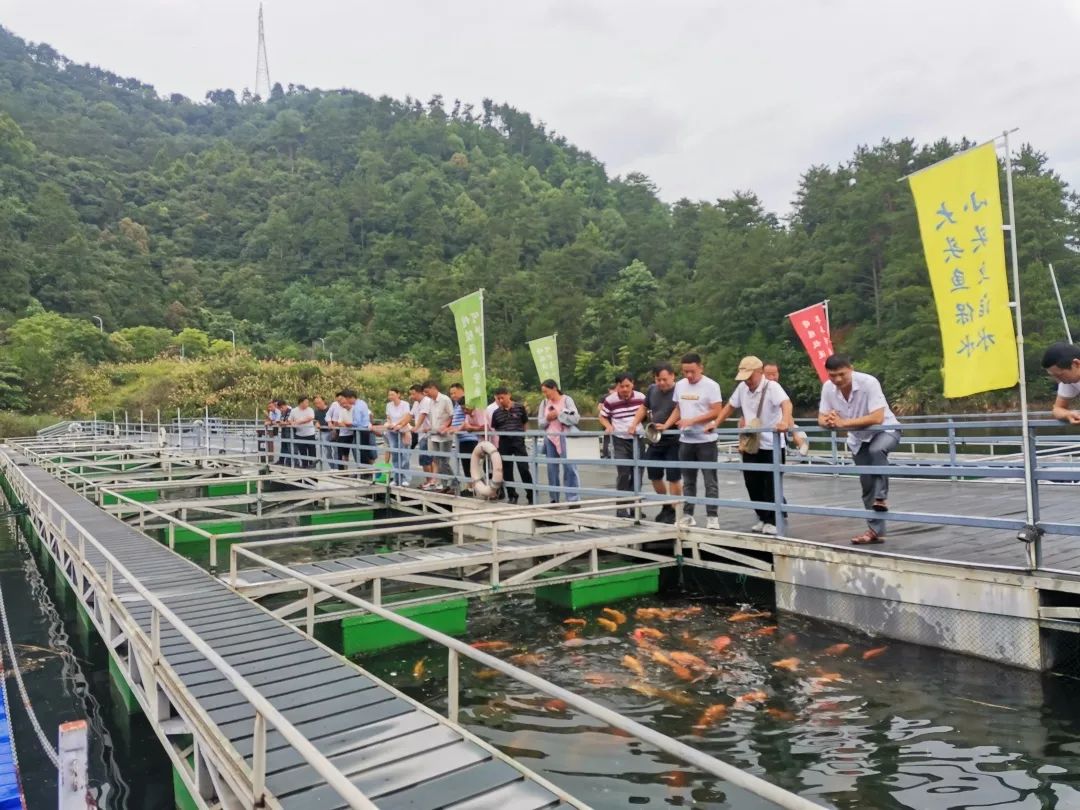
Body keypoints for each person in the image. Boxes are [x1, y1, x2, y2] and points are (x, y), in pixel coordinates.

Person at [818, 354, 901, 545]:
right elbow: (821, 418)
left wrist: (844, 423)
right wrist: (829, 421)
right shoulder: (828, 388)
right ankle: (875, 532)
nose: (838, 380)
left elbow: (877, 417)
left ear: (851, 369)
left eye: (842, 374)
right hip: (858, 439)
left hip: (885, 430)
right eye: (832, 376)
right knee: (867, 486)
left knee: (876, 451)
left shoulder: (868, 383)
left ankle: (881, 497)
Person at [711, 357, 793, 536]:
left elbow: (786, 404)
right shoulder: (742, 388)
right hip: (751, 443)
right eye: (745, 378)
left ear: (759, 372)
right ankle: (762, 516)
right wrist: (716, 423)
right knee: (751, 482)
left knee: (770, 483)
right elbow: (730, 407)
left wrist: (785, 421)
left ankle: (773, 520)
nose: (747, 381)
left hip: (771, 445)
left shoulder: (772, 387)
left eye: (750, 377)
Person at [661, 353, 723, 529]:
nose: (689, 375)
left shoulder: (711, 386)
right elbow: (678, 408)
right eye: (685, 372)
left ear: (700, 368)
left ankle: (712, 516)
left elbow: (717, 410)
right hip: (686, 440)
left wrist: (693, 421)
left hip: (706, 440)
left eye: (692, 371)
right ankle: (688, 514)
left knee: (710, 480)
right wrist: (666, 425)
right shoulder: (680, 386)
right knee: (688, 480)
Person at [629, 363, 682, 524]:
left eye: (665, 379)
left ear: (673, 376)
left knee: (673, 476)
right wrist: (634, 424)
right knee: (654, 473)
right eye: (658, 379)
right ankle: (666, 505)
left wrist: (667, 425)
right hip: (655, 438)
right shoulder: (652, 390)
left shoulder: (680, 389)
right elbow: (643, 408)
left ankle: (675, 509)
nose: (661, 383)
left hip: (674, 439)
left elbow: (680, 408)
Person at [599, 373, 647, 517]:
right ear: (617, 386)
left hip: (637, 438)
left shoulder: (641, 397)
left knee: (637, 473)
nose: (625, 389)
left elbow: (647, 413)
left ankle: (635, 507)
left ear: (633, 384)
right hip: (620, 439)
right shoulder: (610, 400)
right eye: (621, 386)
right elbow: (602, 416)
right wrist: (608, 426)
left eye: (627, 385)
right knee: (624, 472)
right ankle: (621, 507)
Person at [537, 379, 581, 503]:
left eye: (547, 391)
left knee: (570, 468)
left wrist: (559, 415)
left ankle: (573, 498)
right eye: (543, 392)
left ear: (554, 388)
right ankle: (554, 498)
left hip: (565, 437)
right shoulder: (544, 403)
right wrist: (548, 418)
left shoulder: (567, 400)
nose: (545, 394)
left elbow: (575, 418)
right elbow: (540, 423)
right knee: (552, 469)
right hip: (550, 437)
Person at [490, 387, 533, 504]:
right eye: (498, 398)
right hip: (504, 442)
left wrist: (522, 436)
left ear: (508, 395)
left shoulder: (519, 408)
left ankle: (530, 494)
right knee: (507, 470)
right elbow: (495, 427)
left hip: (518, 441)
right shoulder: (496, 412)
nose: (500, 400)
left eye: (502, 397)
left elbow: (524, 423)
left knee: (523, 468)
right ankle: (512, 495)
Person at [762, 363, 809, 455]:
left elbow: (787, 408)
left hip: (779, 428)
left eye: (774, 374)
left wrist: (790, 428)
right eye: (768, 375)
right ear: (762, 374)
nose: (771, 377)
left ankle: (797, 439)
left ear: (778, 374)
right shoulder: (756, 390)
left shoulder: (783, 390)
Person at [447, 384, 479, 495]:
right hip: (461, 439)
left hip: (469, 438)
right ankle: (470, 487)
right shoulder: (457, 405)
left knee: (470, 464)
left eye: (455, 392)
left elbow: (467, 419)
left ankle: (473, 488)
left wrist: (456, 429)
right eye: (451, 393)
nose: (453, 395)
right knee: (465, 464)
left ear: (462, 391)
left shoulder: (466, 404)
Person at [423, 380, 455, 491]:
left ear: (433, 388)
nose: (427, 395)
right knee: (436, 460)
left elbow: (452, 416)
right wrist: (429, 428)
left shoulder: (445, 399)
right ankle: (446, 483)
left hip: (444, 436)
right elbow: (432, 418)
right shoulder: (430, 402)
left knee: (444, 461)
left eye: (427, 392)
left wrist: (445, 427)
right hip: (433, 435)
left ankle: (451, 483)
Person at [1042, 342, 1080, 424]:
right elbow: (1057, 409)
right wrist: (1068, 414)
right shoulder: (1068, 381)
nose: (1058, 381)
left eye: (1060, 375)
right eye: (1054, 376)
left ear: (1076, 364)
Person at [383, 388, 411, 485]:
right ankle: (396, 478)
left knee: (404, 455)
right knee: (395, 454)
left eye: (393, 394)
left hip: (403, 430)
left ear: (398, 394)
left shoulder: (405, 404)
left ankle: (405, 478)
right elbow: (388, 417)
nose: (391, 397)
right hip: (392, 431)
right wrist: (391, 424)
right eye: (389, 395)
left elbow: (406, 417)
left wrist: (398, 425)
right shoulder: (388, 405)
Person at [409, 384, 434, 487]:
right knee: (428, 459)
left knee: (425, 459)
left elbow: (423, 415)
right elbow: (410, 415)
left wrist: (416, 427)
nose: (412, 396)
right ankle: (430, 481)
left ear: (419, 392)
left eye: (413, 394)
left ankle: (430, 481)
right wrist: (399, 424)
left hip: (427, 434)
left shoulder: (426, 401)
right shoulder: (416, 403)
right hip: (421, 434)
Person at [346, 389, 374, 466]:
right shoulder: (362, 403)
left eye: (347, 399)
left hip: (361, 430)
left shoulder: (357, 407)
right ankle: (366, 470)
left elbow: (357, 422)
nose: (347, 402)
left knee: (362, 451)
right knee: (364, 450)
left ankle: (365, 471)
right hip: (365, 429)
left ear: (351, 398)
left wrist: (348, 423)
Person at [290, 396, 318, 469]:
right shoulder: (294, 411)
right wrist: (293, 423)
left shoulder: (310, 409)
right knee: (302, 451)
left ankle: (312, 465)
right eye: (306, 402)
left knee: (312, 450)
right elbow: (290, 420)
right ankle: (304, 465)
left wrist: (298, 422)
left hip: (310, 434)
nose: (307, 404)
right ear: (301, 403)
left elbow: (310, 418)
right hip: (299, 434)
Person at [330, 391, 354, 468]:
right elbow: (339, 422)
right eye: (340, 402)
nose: (342, 404)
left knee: (357, 452)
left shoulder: (355, 409)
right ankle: (344, 471)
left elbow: (354, 422)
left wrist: (348, 424)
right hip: (343, 434)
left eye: (343, 402)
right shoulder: (341, 410)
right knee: (343, 453)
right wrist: (347, 425)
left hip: (353, 434)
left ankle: (362, 472)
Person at [313, 395, 332, 469]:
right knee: (327, 452)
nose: (317, 405)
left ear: (324, 401)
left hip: (331, 432)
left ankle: (337, 469)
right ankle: (332, 468)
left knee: (334, 452)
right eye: (316, 403)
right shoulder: (316, 411)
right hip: (323, 432)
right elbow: (315, 420)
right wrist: (316, 423)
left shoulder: (330, 409)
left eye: (319, 403)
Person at [276, 399, 294, 466]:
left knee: (290, 447)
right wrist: (281, 423)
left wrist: (283, 423)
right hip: (284, 430)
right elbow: (281, 420)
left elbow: (289, 422)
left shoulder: (291, 411)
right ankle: (282, 460)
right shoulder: (283, 412)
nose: (281, 410)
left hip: (289, 431)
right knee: (283, 446)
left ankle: (290, 462)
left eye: (281, 408)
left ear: (284, 405)